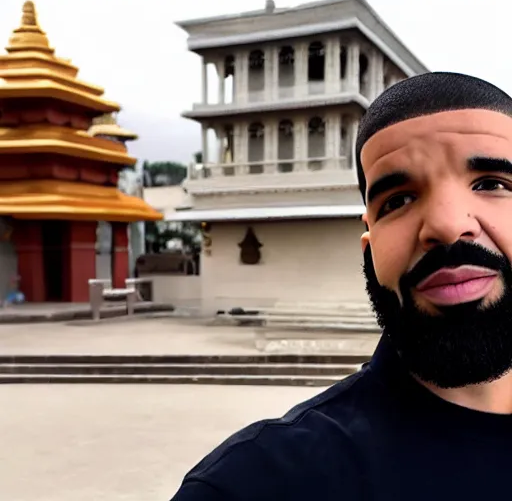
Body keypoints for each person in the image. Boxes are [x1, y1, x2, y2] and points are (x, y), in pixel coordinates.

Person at [171, 72, 512, 500]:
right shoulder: (254, 485)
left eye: (492, 184)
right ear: (369, 247)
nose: (446, 225)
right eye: (398, 201)